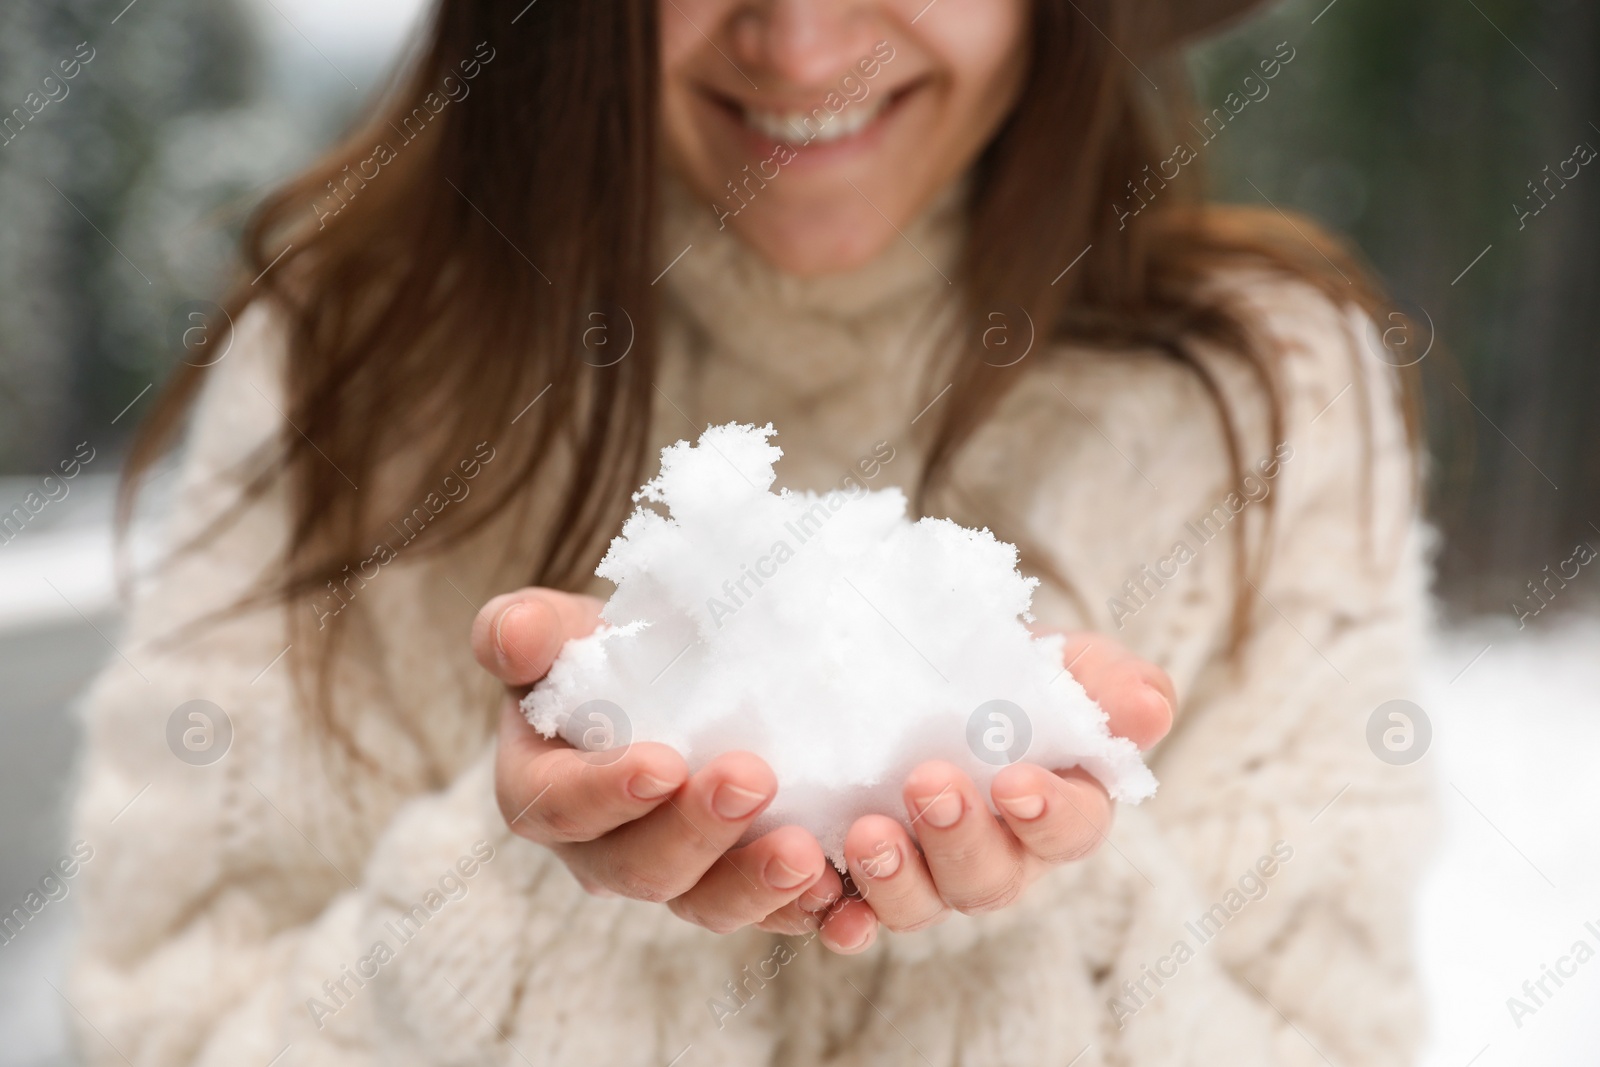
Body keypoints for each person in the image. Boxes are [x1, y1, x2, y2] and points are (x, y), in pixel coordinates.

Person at [70, 1, 1432, 1064]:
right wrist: (545, 892)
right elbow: (159, 1036)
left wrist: (1046, 896)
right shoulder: (348, 362)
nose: (801, 45)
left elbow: (1338, 1041)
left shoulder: (1268, 395)